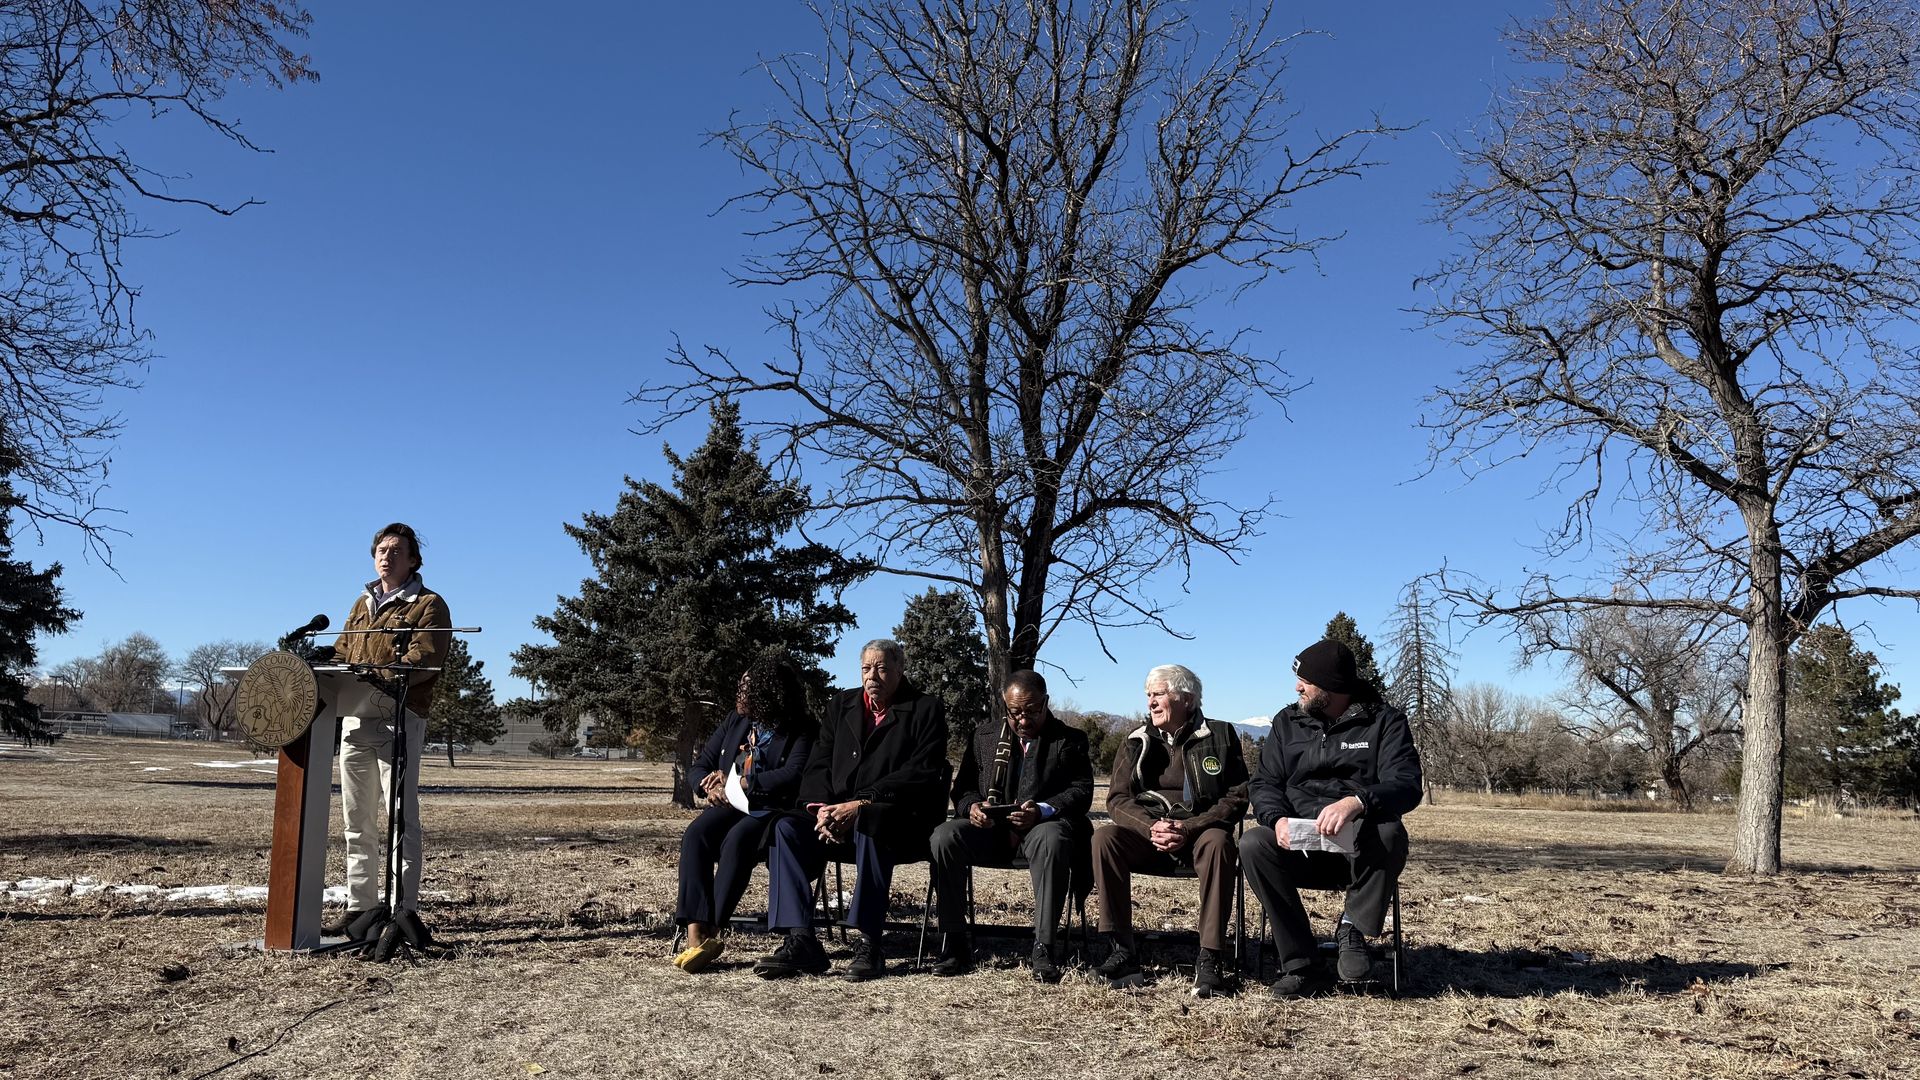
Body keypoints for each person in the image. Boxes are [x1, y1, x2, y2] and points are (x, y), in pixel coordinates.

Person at [753, 638, 948, 981]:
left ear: (901, 671)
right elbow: (818, 763)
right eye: (866, 668)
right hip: (836, 818)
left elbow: (922, 772)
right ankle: (801, 940)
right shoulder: (841, 704)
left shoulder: (925, 708)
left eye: (882, 668)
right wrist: (821, 809)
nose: (872, 675)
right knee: (785, 827)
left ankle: (870, 943)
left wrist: (860, 804)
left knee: (872, 819)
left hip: (898, 819)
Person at [1239, 639, 1422, 998]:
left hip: (1360, 850)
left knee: (1390, 834)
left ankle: (1352, 929)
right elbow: (1264, 783)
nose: (1297, 687)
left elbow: (1406, 784)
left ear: (1332, 686)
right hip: (1299, 845)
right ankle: (1302, 965)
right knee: (1252, 843)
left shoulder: (1384, 721)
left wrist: (1358, 802)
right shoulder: (1286, 722)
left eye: (1305, 680)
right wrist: (1276, 819)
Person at [323, 523, 451, 941]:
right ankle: (360, 907)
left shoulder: (428, 605)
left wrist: (372, 675)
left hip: (399, 716)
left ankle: (403, 910)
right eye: (381, 549)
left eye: (397, 550)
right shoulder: (362, 604)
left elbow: (425, 656)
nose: (386, 556)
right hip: (355, 719)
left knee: (400, 818)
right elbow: (344, 649)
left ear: (414, 560)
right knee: (356, 821)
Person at [1092, 663, 1248, 996]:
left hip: (1199, 834)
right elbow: (1118, 799)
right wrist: (1151, 827)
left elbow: (1236, 797)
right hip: (1150, 834)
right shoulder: (1136, 740)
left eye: (1159, 694)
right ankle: (1122, 952)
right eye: (1148, 695)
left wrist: (1189, 827)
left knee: (1220, 843)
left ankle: (1210, 958)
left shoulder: (1220, 735)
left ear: (1187, 699)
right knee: (1104, 838)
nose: (1150, 702)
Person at [928, 670, 1094, 982]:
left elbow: (1081, 790)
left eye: (1031, 711)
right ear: (1005, 706)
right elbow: (963, 788)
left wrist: (1043, 810)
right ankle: (954, 940)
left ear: (1045, 703)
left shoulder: (1069, 740)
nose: (1023, 720)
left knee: (1053, 838)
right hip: (990, 829)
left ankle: (1044, 945)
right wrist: (972, 807)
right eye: (1015, 712)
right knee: (944, 836)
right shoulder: (984, 736)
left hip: (1041, 827)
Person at [672, 652, 815, 973]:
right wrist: (707, 787)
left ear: (769, 694)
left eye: (747, 688)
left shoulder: (801, 729)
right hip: (731, 804)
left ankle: (714, 929)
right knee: (697, 834)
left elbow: (793, 774)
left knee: (737, 839)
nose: (739, 693)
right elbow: (701, 765)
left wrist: (740, 782)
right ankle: (696, 933)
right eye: (739, 686)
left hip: (772, 811)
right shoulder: (735, 721)